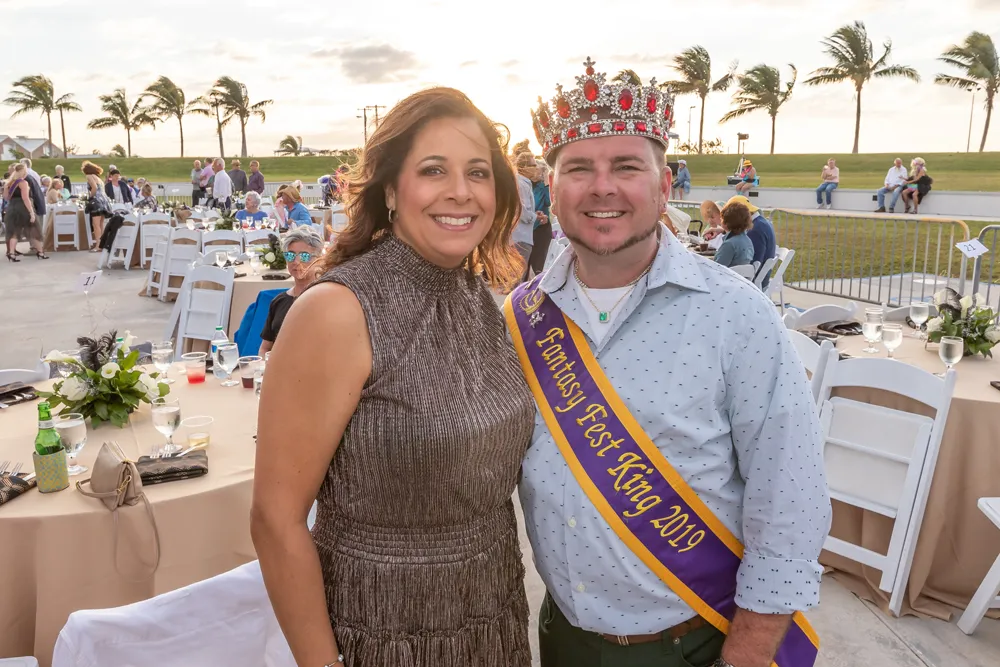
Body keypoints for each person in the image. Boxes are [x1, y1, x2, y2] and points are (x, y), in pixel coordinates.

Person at [518, 60, 829, 667]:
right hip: (561, 636)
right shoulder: (520, 318)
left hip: (696, 642)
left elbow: (791, 503)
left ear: (664, 187)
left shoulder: (737, 314)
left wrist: (747, 656)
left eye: (626, 166)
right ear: (552, 190)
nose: (602, 187)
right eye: (578, 168)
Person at [251, 87, 532, 667]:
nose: (461, 191)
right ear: (389, 190)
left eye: (478, 172)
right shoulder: (337, 310)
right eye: (434, 170)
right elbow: (275, 521)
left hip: (491, 614)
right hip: (382, 628)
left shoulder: (478, 296)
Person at [258, 228, 325, 356]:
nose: (296, 262)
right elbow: (265, 349)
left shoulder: (326, 300)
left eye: (304, 256)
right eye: (290, 255)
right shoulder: (279, 302)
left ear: (319, 259)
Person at [727, 194, 775, 289]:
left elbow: (754, 261)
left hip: (756, 281)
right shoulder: (761, 222)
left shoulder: (755, 229)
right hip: (762, 276)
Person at [3, 163, 47, 261]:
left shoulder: (9, 183)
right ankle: (40, 252)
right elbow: (25, 198)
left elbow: (6, 197)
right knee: (34, 229)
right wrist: (31, 212)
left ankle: (11, 253)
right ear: (23, 171)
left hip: (12, 207)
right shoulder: (23, 182)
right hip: (23, 208)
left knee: (14, 231)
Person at [512, 151, 536, 281]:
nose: (536, 168)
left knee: (519, 277)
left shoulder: (522, 182)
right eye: (533, 165)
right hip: (521, 236)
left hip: (520, 236)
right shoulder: (521, 184)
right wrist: (535, 217)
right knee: (518, 278)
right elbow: (521, 211)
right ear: (524, 167)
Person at [713, 200, 755, 269]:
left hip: (726, 275)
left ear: (727, 222)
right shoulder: (748, 241)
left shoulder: (729, 244)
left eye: (722, 218)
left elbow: (716, 268)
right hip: (741, 275)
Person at [82, 161, 112, 251]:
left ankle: (98, 246)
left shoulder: (89, 176)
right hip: (104, 200)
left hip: (96, 201)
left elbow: (94, 187)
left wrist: (90, 197)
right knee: (101, 224)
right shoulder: (98, 178)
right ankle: (102, 244)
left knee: (95, 225)